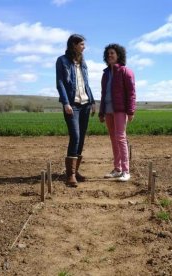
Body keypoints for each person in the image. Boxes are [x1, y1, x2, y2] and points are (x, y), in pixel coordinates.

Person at [56, 34, 96, 187]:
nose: (84, 47)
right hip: (72, 104)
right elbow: (60, 83)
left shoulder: (82, 62)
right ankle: (70, 175)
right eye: (82, 44)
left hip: (85, 104)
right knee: (75, 136)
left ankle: (76, 171)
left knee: (82, 138)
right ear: (73, 45)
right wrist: (66, 103)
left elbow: (86, 83)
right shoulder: (62, 60)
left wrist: (92, 101)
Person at [99, 43, 136, 182]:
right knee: (113, 139)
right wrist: (101, 112)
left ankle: (126, 171)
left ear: (119, 55)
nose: (110, 56)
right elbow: (103, 94)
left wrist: (131, 111)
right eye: (108, 54)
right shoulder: (106, 74)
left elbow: (131, 93)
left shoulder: (126, 71)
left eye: (112, 53)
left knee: (120, 138)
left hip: (120, 110)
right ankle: (117, 169)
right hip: (108, 110)